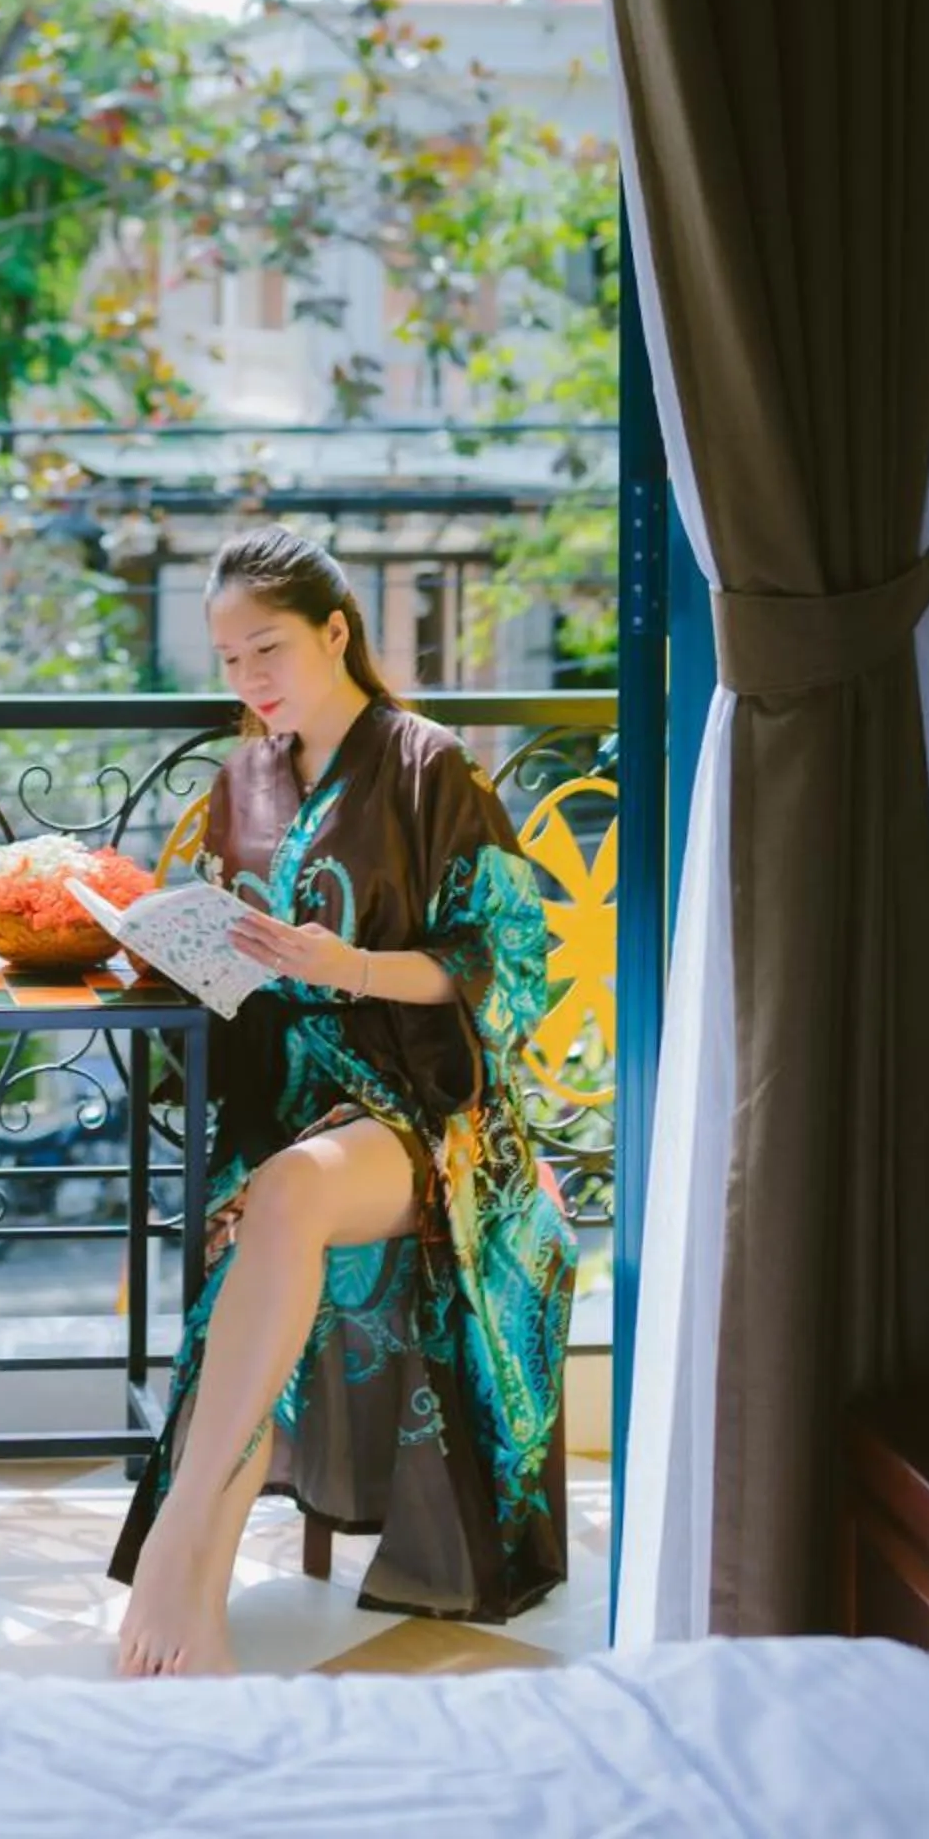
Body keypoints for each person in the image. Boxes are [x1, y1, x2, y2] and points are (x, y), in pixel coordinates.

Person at [111, 525, 573, 1677]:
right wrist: (172, 950)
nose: (248, 681)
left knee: (280, 1200)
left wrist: (349, 969)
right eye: (226, 661)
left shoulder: (431, 767)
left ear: (335, 631)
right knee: (268, 1201)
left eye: (265, 649)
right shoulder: (244, 778)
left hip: (424, 1105)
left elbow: (504, 961)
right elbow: (239, 955)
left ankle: (176, 1552)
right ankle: (193, 1590)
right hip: (288, 1100)